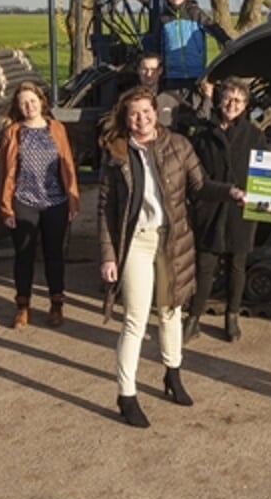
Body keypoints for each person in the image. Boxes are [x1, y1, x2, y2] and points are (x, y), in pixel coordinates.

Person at [97, 86, 238, 428]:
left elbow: (199, 186)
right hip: (135, 243)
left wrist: (230, 192)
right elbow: (105, 209)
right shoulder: (116, 154)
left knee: (171, 310)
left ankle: (172, 374)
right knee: (135, 319)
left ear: (156, 112)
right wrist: (108, 255)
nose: (140, 119)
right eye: (133, 114)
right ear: (125, 117)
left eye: (146, 112)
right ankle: (126, 394)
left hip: (171, 241)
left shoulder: (178, 145)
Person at [186, 77, 264, 343]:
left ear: (245, 105)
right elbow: (196, 172)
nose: (232, 104)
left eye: (238, 101)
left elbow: (263, 172)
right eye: (228, 99)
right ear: (220, 101)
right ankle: (194, 317)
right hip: (211, 205)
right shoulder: (204, 134)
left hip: (240, 208)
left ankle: (231, 317)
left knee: (236, 265)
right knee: (205, 265)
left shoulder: (254, 135)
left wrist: (253, 195)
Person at [0, 80, 79, 328]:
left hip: (55, 201)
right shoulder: (13, 132)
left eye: (32, 101)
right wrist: (6, 207)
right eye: (23, 102)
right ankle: (23, 306)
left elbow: (68, 164)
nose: (29, 106)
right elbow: (5, 171)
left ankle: (56, 304)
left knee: (54, 254)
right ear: (18, 106)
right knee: (24, 254)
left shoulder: (56, 128)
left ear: (41, 102)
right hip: (24, 200)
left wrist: (73, 200)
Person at [149, 0, 229, 91]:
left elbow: (213, 28)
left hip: (195, 70)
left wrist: (226, 41)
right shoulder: (163, 18)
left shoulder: (195, 13)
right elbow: (156, 42)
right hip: (172, 73)